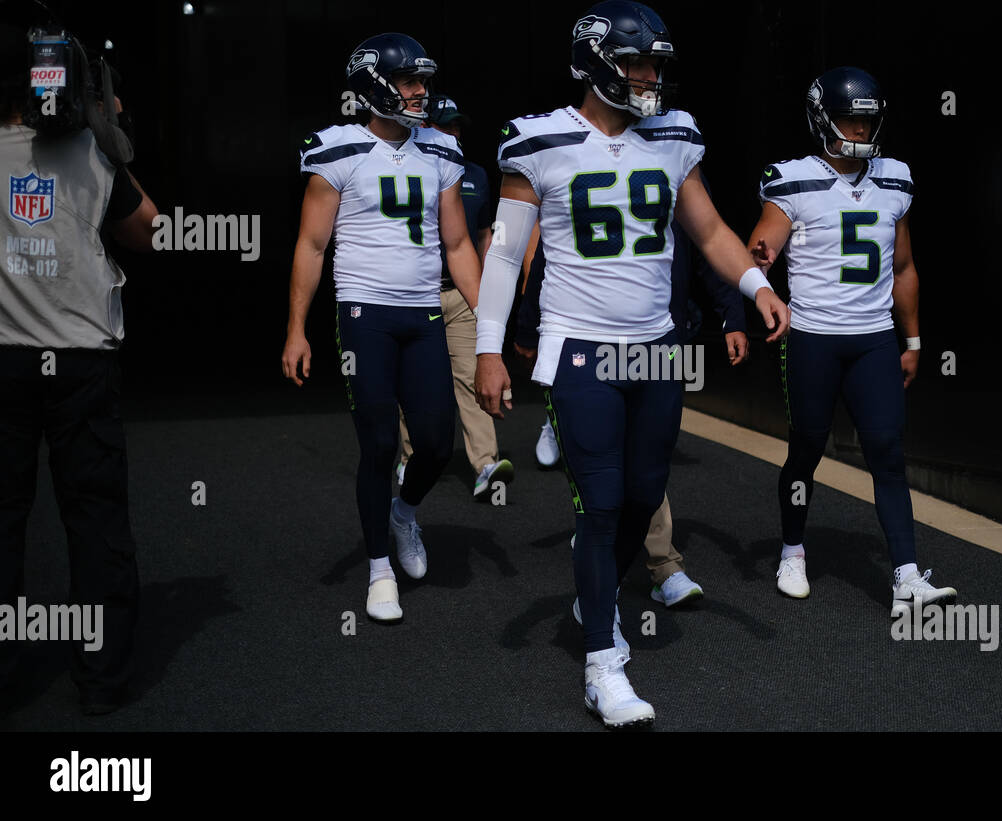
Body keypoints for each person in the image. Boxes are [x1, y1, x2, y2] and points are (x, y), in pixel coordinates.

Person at [473, 0, 789, 729]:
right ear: (594, 64)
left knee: (647, 492)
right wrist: (490, 348)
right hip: (580, 349)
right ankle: (601, 663)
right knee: (603, 498)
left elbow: (708, 229)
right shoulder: (541, 140)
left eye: (655, 64)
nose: (649, 77)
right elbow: (505, 255)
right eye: (636, 63)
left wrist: (759, 286)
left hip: (655, 348)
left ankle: (597, 594)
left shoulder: (674, 135)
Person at [280, 33, 481, 624]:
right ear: (373, 85)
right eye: (408, 81)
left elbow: (458, 242)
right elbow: (312, 245)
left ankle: (404, 513)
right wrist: (297, 329)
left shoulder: (441, 150)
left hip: (423, 314)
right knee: (377, 443)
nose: (420, 92)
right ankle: (378, 567)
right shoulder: (337, 149)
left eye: (423, 81)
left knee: (439, 443)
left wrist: (489, 324)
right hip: (364, 314)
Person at [747, 66, 956, 607]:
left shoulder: (896, 177)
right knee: (807, 448)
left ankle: (907, 577)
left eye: (867, 122)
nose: (859, 132)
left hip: (873, 340)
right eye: (848, 121)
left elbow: (905, 267)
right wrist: (756, 296)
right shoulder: (791, 178)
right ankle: (792, 550)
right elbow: (757, 254)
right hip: (814, 338)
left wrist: (910, 341)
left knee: (887, 450)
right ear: (821, 119)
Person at [0, 16, 158, 715]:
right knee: (94, 522)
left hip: (3, 364)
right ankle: (101, 680)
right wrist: (113, 131)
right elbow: (149, 230)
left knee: (1, 521)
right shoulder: (94, 154)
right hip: (82, 364)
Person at [516, 206, 749, 607]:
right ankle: (637, 565)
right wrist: (527, 322)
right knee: (605, 477)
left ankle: (657, 565)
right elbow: (548, 252)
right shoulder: (580, 154)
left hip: (660, 334)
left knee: (646, 471)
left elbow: (709, 238)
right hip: (591, 338)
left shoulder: (678, 153)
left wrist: (734, 314)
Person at [395, 95, 513, 500]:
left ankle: (486, 465)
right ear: (423, 127)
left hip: (462, 294)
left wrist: (487, 291)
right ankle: (410, 460)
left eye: (458, 126)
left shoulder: (477, 173)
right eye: (445, 126)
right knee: (414, 383)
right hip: (417, 294)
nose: (454, 133)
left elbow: (482, 235)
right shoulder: (408, 169)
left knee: (470, 375)